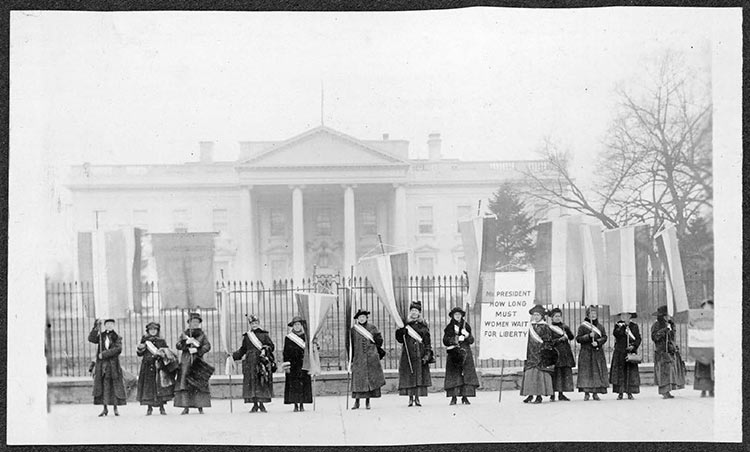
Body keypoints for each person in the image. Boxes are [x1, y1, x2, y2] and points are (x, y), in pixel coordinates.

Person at [232, 314, 276, 413]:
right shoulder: (247, 336)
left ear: (259, 323)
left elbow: (272, 346)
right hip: (250, 362)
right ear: (250, 325)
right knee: (252, 383)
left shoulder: (264, 335)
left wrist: (265, 348)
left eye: (256, 323)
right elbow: (243, 349)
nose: (254, 325)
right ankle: (255, 404)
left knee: (261, 382)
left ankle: (262, 404)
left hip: (261, 361)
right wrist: (233, 356)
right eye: (252, 323)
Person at [395, 301, 433, 407]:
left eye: (416, 311)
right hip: (408, 353)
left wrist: (427, 354)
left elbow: (427, 341)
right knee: (409, 375)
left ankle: (417, 398)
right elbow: (400, 339)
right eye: (412, 311)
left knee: (418, 376)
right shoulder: (405, 325)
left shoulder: (423, 325)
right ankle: (410, 398)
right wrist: (400, 332)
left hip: (419, 353)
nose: (414, 313)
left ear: (419, 313)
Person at [174, 313, 213, 414]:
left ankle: (200, 406)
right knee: (185, 384)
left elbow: (207, 346)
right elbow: (178, 345)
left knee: (198, 383)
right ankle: (185, 406)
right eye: (193, 322)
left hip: (197, 360)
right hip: (186, 361)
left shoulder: (202, 335)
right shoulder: (184, 334)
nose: (195, 324)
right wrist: (185, 344)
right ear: (189, 323)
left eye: (197, 322)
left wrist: (197, 350)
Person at [87, 318, 127, 416]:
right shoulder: (101, 336)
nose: (109, 325)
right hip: (102, 366)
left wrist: (104, 354)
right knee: (103, 386)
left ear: (114, 325)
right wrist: (96, 327)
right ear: (105, 325)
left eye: (111, 324)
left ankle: (115, 408)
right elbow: (91, 339)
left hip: (113, 365)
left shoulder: (117, 337)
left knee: (114, 386)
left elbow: (118, 349)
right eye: (107, 324)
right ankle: (105, 408)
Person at [350, 309, 386, 410]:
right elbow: (351, 344)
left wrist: (374, 346)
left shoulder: (372, 328)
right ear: (357, 319)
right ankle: (356, 402)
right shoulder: (354, 330)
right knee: (358, 381)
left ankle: (367, 402)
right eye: (360, 317)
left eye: (364, 317)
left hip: (370, 358)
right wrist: (351, 358)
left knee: (369, 381)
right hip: (358, 358)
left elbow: (379, 340)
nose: (362, 319)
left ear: (366, 318)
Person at [136, 322, 175, 415]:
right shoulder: (145, 340)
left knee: (159, 387)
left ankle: (162, 407)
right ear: (148, 331)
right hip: (147, 366)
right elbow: (140, 354)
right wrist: (140, 349)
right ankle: (149, 408)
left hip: (159, 366)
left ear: (157, 331)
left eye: (155, 330)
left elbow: (167, 353)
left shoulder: (161, 341)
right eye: (151, 330)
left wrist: (162, 353)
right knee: (148, 387)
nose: (153, 331)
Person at [442, 306, 479, 405]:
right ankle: (453, 397)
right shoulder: (449, 327)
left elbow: (471, 341)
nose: (458, 316)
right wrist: (454, 340)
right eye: (456, 314)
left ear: (462, 315)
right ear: (453, 316)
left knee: (465, 374)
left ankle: (465, 397)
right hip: (454, 352)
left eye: (459, 314)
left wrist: (467, 335)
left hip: (465, 352)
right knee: (454, 375)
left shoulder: (466, 326)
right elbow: (445, 340)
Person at [521, 305, 554, 404]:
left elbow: (548, 341)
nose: (536, 317)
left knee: (539, 375)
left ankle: (539, 396)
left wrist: (544, 351)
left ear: (542, 316)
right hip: (530, 353)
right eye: (534, 315)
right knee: (529, 374)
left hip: (540, 354)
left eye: (538, 315)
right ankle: (530, 394)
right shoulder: (529, 326)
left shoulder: (545, 327)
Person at [652, 305, 686, 399]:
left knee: (670, 371)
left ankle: (669, 390)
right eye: (666, 316)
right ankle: (664, 391)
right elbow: (654, 337)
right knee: (663, 372)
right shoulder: (656, 325)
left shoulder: (670, 324)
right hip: (661, 351)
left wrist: (672, 328)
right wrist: (664, 330)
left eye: (669, 316)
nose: (668, 317)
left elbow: (672, 337)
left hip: (670, 350)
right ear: (662, 316)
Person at [576, 305, 608, 400]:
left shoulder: (600, 326)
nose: (593, 315)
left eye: (595, 313)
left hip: (597, 352)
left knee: (596, 372)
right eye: (591, 314)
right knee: (586, 372)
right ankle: (586, 393)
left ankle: (595, 392)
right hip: (586, 352)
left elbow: (605, 337)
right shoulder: (583, 326)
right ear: (587, 315)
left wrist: (597, 342)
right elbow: (578, 339)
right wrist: (588, 336)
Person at [283, 316, 313, 412]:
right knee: (294, 384)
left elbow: (311, 350)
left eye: (299, 324)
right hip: (293, 364)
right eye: (295, 325)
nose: (297, 326)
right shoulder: (288, 338)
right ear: (293, 326)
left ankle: (302, 404)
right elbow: (285, 352)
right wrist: (287, 365)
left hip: (303, 363)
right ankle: (295, 404)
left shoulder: (306, 337)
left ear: (301, 326)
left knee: (303, 384)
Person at [609, 312, 641, 400]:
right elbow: (617, 334)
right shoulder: (618, 325)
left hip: (630, 351)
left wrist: (634, 346)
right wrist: (624, 327)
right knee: (620, 373)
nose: (624, 317)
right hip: (620, 351)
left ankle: (629, 392)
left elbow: (638, 338)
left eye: (626, 315)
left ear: (630, 316)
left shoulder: (634, 326)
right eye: (622, 315)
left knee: (630, 372)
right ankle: (620, 392)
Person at [547, 307, 575, 402]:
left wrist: (567, 332)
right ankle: (552, 394)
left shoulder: (564, 327)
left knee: (563, 373)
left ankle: (561, 394)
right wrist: (559, 340)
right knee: (555, 374)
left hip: (565, 353)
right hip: (555, 353)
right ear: (551, 318)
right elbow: (548, 342)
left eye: (559, 316)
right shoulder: (549, 328)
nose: (558, 318)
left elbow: (571, 337)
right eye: (555, 316)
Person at [693, 299, 714, 398]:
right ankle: (703, 390)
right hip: (702, 348)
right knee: (702, 371)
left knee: (712, 370)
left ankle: (711, 390)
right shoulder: (698, 319)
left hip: (711, 347)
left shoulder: (715, 319)